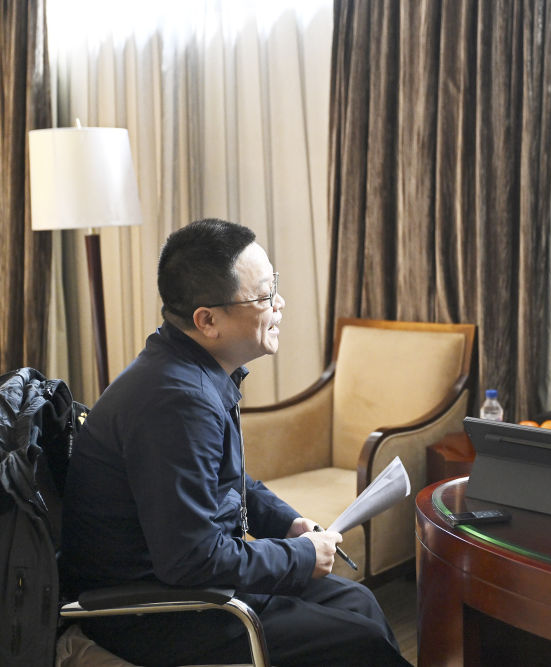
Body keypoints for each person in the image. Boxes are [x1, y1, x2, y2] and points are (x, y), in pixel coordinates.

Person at [60, 219, 407, 666]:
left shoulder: (192, 369)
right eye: (264, 295)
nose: (279, 303)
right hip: (157, 609)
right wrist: (299, 557)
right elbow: (191, 559)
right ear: (207, 320)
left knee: (358, 602)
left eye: (274, 285)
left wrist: (288, 524)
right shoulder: (176, 402)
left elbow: (230, 483)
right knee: (360, 639)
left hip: (197, 586)